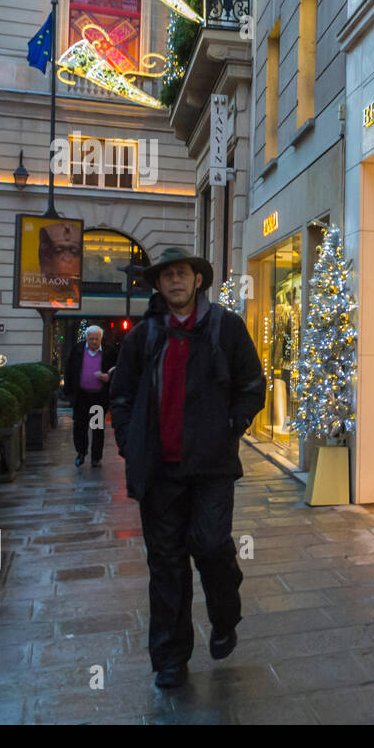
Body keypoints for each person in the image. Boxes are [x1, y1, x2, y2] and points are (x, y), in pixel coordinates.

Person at [109, 248, 265, 689]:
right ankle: (170, 659)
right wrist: (129, 444)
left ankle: (225, 616)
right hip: (159, 471)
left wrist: (231, 425)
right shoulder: (144, 337)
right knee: (166, 566)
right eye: (167, 276)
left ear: (198, 281)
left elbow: (253, 385)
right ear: (158, 285)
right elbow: (121, 397)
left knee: (212, 546)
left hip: (211, 467)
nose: (175, 282)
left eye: (183, 274)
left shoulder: (226, 328)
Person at [64, 325, 117, 467]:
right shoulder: (78, 350)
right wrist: (68, 391)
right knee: (79, 425)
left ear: (101, 339)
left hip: (98, 397)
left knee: (97, 427)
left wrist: (108, 377)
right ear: (86, 338)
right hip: (81, 396)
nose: (94, 342)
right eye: (91, 338)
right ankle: (81, 452)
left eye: (97, 339)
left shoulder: (109, 351)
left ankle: (96, 457)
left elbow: (117, 369)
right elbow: (69, 369)